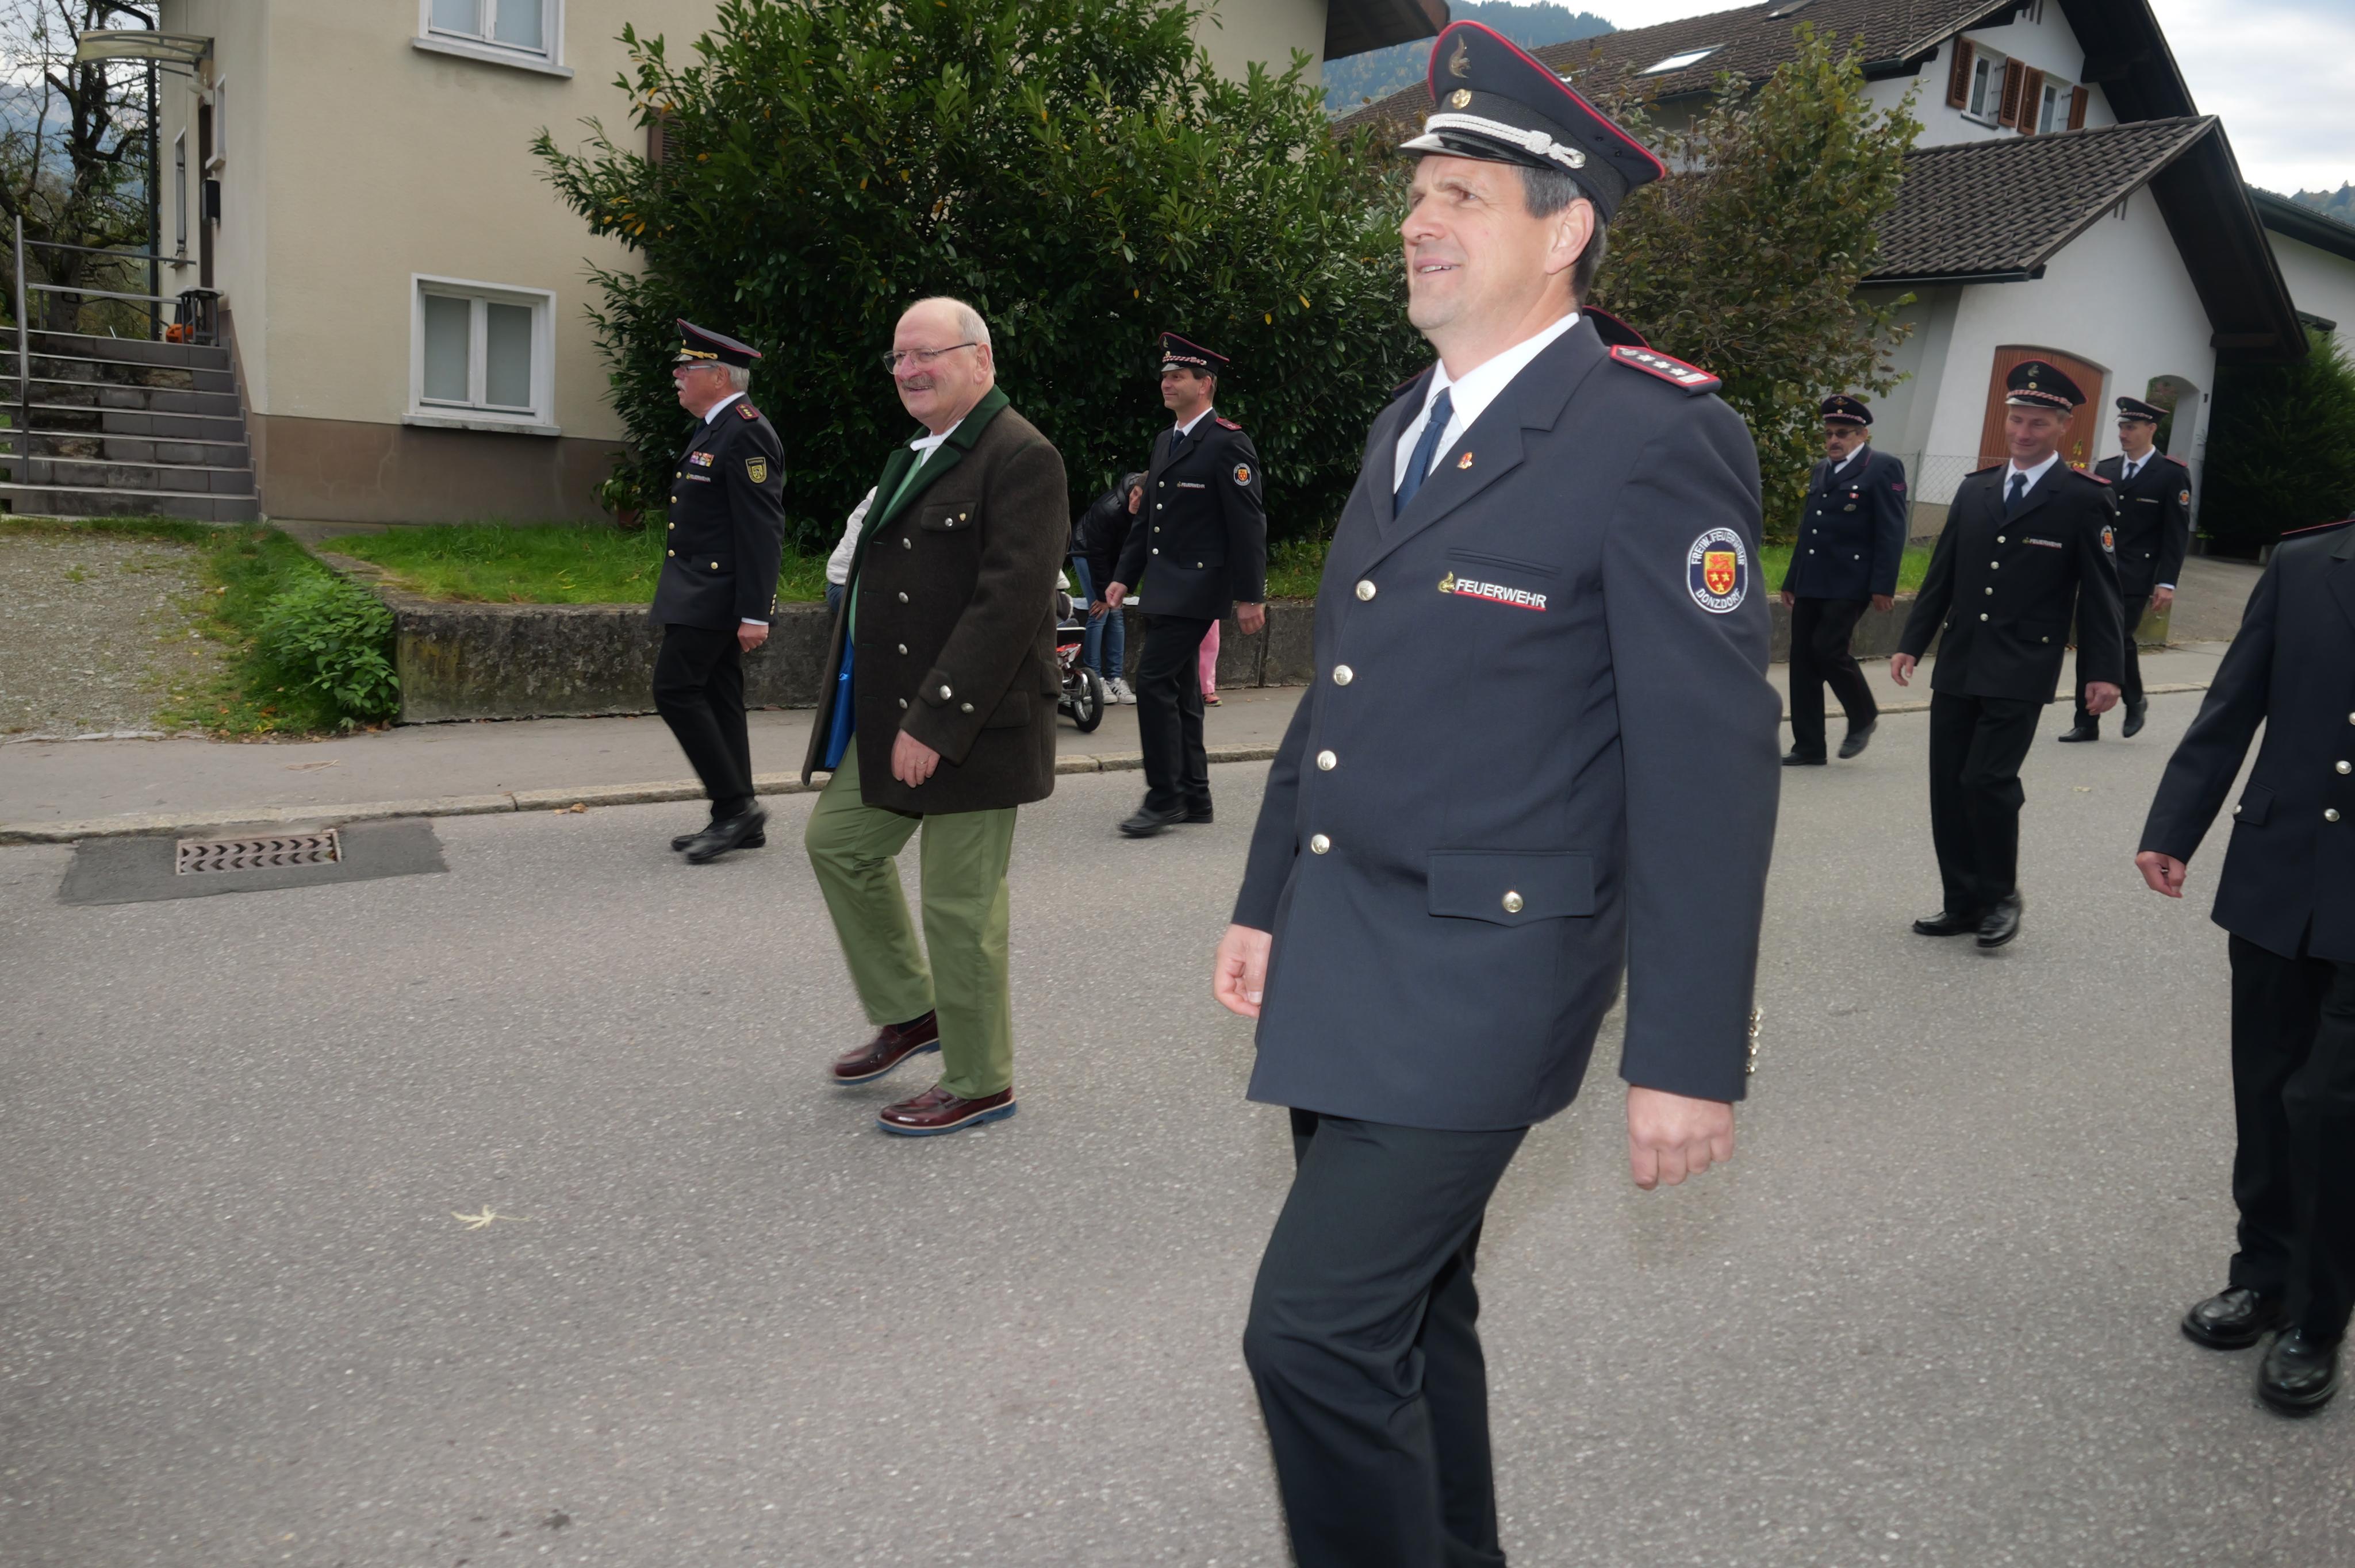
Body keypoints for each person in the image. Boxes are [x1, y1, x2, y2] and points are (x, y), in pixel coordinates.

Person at [1210, 22, 1779, 1565]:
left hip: (1486, 974)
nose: (1420, 219)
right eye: (1418, 193)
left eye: (1461, 193)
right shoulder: (1410, 423)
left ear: (1566, 226)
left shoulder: (1656, 437)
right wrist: (1267, 899)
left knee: (1312, 1334)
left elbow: (1710, 770)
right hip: (1349, 949)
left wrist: (1687, 1054)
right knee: (1409, 1311)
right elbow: (1344, 693)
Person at [799, 297, 1069, 1136]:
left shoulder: (1021, 455)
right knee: (839, 843)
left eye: (928, 354)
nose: (909, 370)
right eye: (899, 357)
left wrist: (935, 721)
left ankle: (981, 1079)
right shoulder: (920, 452)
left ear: (981, 359)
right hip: (894, 713)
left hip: (971, 724)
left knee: (959, 906)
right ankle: (915, 1012)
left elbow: (1008, 605)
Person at [2137, 514, 2355, 1416]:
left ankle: (2317, 1317)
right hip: (2279, 875)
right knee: (2265, 1090)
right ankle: (2261, 1277)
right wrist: (2173, 826)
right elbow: (2234, 703)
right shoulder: (2304, 566)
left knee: (2330, 1109)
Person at [1890, 359, 2124, 950]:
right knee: (1949, 784)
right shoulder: (1976, 489)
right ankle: (1961, 902)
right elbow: (1941, 576)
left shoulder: (2082, 498)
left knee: (1987, 779)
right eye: (2016, 420)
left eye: (2038, 423)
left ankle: (2000, 896)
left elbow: (2101, 595)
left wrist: (2103, 672)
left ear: (2064, 427)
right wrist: (1911, 643)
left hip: (2023, 664)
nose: (2023, 432)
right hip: (1961, 659)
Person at [1104, 332, 1267, 836]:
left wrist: (1251, 594)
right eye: (1165, 377)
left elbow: (1248, 524)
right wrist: (1123, 577)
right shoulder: (1166, 440)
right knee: (1180, 689)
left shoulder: (1227, 442)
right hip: (1164, 586)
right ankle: (1195, 795)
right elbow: (1148, 520)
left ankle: (1164, 797)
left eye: (1178, 376)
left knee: (1152, 681)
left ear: (1205, 384)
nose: (1167, 384)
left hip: (1198, 586)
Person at [651, 320, 785, 864]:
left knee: (674, 689)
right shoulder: (716, 427)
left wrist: (757, 612)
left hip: (714, 593)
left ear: (720, 377)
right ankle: (738, 815)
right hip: (699, 589)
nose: (678, 376)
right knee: (718, 694)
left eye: (687, 368)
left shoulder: (746, 431)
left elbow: (762, 528)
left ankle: (735, 808)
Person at [1779, 394, 1907, 765]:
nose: (1834, 440)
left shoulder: (1882, 467)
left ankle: (1863, 714)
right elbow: (1809, 530)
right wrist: (1792, 579)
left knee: (1828, 650)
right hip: (1813, 578)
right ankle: (1808, 746)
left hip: (1851, 580)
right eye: (1829, 434)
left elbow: (1892, 530)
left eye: (1843, 433)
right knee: (1803, 660)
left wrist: (1883, 585)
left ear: (1862, 435)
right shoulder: (1822, 469)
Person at [2060, 395, 2192, 741]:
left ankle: (2134, 700)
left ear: (2151, 429)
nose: (2123, 434)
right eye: (2121, 427)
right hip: (2097, 570)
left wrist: (2167, 582)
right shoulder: (2106, 470)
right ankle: (2086, 722)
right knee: (2088, 639)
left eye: (2131, 427)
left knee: (2117, 637)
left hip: (2136, 575)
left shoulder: (2171, 474)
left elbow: (2176, 534)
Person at [1070, 472, 1141, 701]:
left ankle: (1115, 678)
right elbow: (1098, 556)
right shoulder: (1108, 508)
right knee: (1100, 612)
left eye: (1142, 498)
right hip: (1087, 551)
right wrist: (1103, 596)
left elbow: (1138, 554)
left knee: (1117, 612)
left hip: (1115, 557)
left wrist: (1124, 587)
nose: (1135, 501)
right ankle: (1094, 679)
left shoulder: (1152, 513)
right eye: (1134, 494)